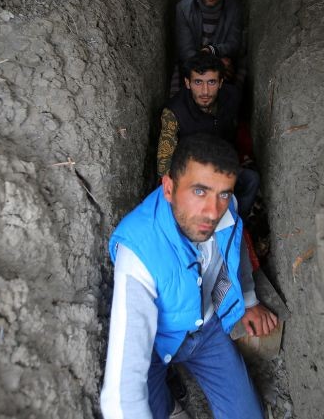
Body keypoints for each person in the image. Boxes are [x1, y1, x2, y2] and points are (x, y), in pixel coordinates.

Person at [100, 133, 278, 419]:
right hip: (157, 342)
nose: (213, 212)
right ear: (169, 187)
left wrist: (248, 301)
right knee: (150, 407)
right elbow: (121, 395)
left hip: (207, 332)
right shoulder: (138, 252)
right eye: (199, 191)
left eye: (223, 194)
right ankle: (170, 404)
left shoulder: (227, 211)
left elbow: (236, 252)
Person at [158, 52, 259, 219]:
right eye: (198, 82)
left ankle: (236, 224)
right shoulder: (174, 112)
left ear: (220, 83)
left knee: (251, 179)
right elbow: (164, 163)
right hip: (191, 173)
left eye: (211, 82)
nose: (205, 91)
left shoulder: (232, 97)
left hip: (222, 166)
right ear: (187, 83)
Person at [172, 0, 244, 94]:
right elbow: (185, 52)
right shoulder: (183, 8)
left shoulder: (234, 8)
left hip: (223, 67)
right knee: (179, 102)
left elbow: (234, 44)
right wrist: (214, 64)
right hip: (194, 65)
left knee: (238, 77)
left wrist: (212, 50)